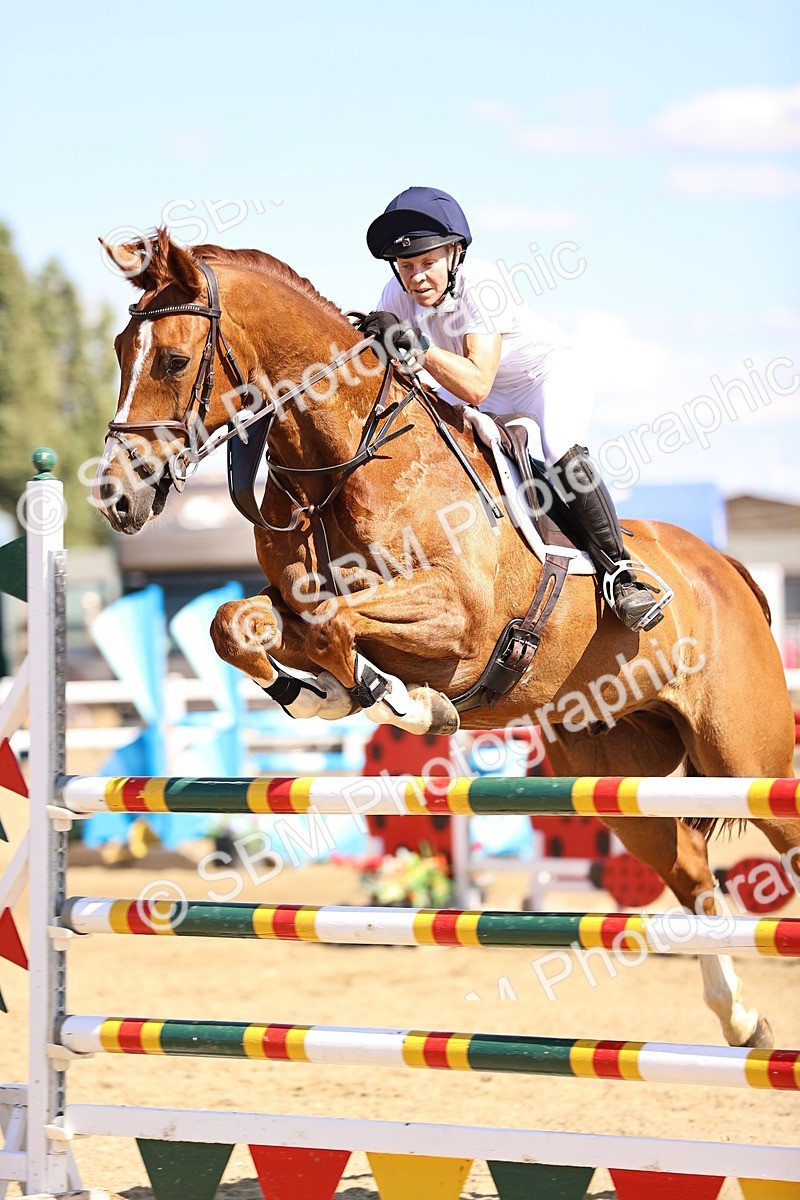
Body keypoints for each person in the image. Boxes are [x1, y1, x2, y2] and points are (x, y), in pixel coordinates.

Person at [361, 186, 669, 632]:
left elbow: (476, 384)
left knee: (560, 448)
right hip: (473, 387)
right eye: (407, 266)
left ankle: (623, 575)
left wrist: (418, 347)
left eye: (428, 263)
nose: (417, 277)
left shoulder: (480, 283)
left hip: (544, 377)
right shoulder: (396, 293)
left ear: (455, 253)